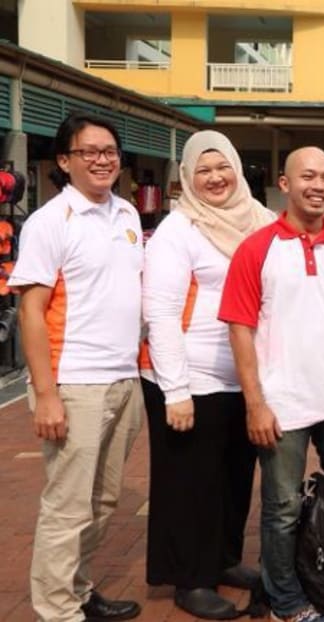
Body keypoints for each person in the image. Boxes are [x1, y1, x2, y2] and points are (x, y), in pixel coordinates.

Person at [218, 146, 324, 622]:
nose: (318, 186)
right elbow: (239, 329)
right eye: (308, 176)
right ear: (284, 184)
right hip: (280, 404)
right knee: (281, 508)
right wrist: (255, 404)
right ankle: (284, 599)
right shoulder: (257, 248)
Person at [11, 113, 144, 622]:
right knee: (68, 505)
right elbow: (31, 312)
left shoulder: (127, 214)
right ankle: (56, 610)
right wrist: (46, 393)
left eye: (110, 151)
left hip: (123, 377)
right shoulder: (51, 221)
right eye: (89, 151)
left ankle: (79, 589)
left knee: (103, 500)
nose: (102, 160)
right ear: (65, 161)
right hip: (73, 383)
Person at [140, 130, 275, 618]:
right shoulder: (179, 231)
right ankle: (191, 579)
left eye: (223, 168)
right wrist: (176, 390)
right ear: (188, 178)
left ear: (237, 169)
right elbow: (160, 312)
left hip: (243, 376)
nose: (216, 178)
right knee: (190, 482)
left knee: (234, 477)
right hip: (190, 378)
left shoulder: (261, 221)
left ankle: (223, 559)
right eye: (204, 171)